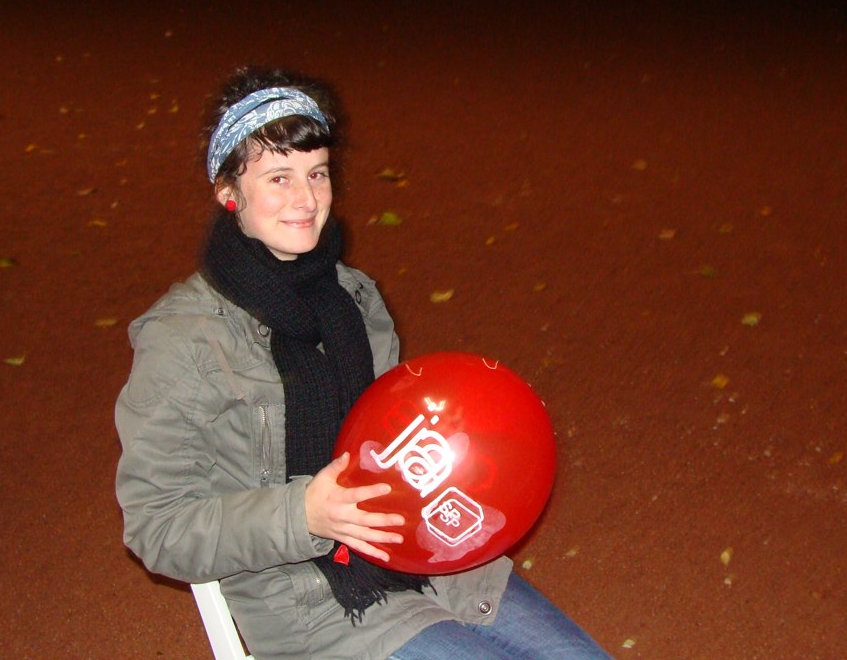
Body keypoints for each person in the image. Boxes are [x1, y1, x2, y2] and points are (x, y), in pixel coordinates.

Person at [115, 65, 614, 660]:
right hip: (310, 601)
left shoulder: (353, 297)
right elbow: (157, 528)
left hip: (430, 558)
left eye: (317, 174)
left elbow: (394, 440)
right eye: (279, 177)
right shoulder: (184, 337)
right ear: (229, 192)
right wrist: (303, 513)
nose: (306, 200)